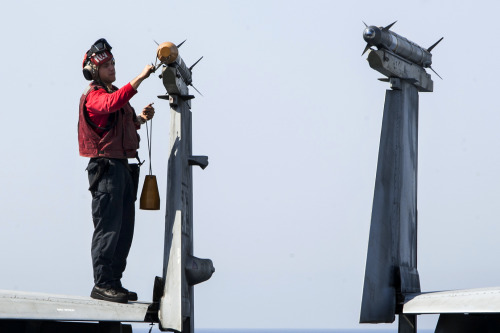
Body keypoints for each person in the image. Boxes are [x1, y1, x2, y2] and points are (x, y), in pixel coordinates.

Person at [78, 38, 155, 303]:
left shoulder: (111, 95)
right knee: (108, 229)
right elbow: (110, 105)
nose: (111, 67)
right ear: (94, 71)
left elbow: (122, 123)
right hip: (106, 171)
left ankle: (114, 282)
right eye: (106, 65)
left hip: (122, 168)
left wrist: (140, 119)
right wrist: (140, 78)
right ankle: (102, 284)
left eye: (112, 63)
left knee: (124, 230)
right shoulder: (96, 97)